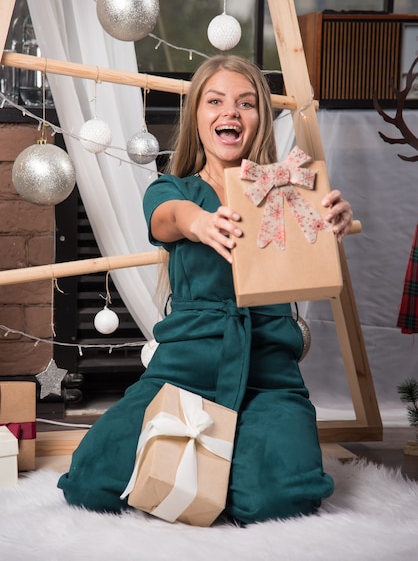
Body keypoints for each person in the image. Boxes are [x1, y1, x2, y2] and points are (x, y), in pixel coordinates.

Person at [58, 55, 353, 524]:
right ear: (197, 116)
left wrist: (327, 221)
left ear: (260, 120)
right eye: (214, 101)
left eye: (246, 103)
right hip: (183, 369)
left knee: (279, 501)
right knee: (89, 481)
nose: (230, 112)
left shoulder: (289, 190)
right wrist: (198, 221)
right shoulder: (171, 188)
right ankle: (224, 450)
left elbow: (314, 252)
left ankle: (238, 446)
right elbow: (166, 218)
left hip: (268, 373)